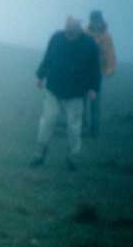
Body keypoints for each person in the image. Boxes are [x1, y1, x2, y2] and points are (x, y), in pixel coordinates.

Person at [31, 16, 101, 171]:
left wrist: (93, 88)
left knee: (74, 127)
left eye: (72, 31)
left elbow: (94, 69)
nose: (68, 34)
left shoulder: (90, 45)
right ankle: (39, 155)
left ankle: (73, 158)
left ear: (79, 29)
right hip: (54, 88)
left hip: (76, 93)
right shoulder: (57, 38)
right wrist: (40, 76)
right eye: (67, 30)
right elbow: (48, 57)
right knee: (47, 120)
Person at [84, 10, 116, 138]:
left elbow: (110, 54)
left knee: (95, 102)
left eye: (97, 20)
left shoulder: (107, 37)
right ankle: (81, 126)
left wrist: (110, 69)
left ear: (101, 20)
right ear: (90, 20)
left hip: (96, 73)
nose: (95, 22)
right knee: (80, 101)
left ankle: (94, 130)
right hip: (82, 71)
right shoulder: (85, 33)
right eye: (93, 20)